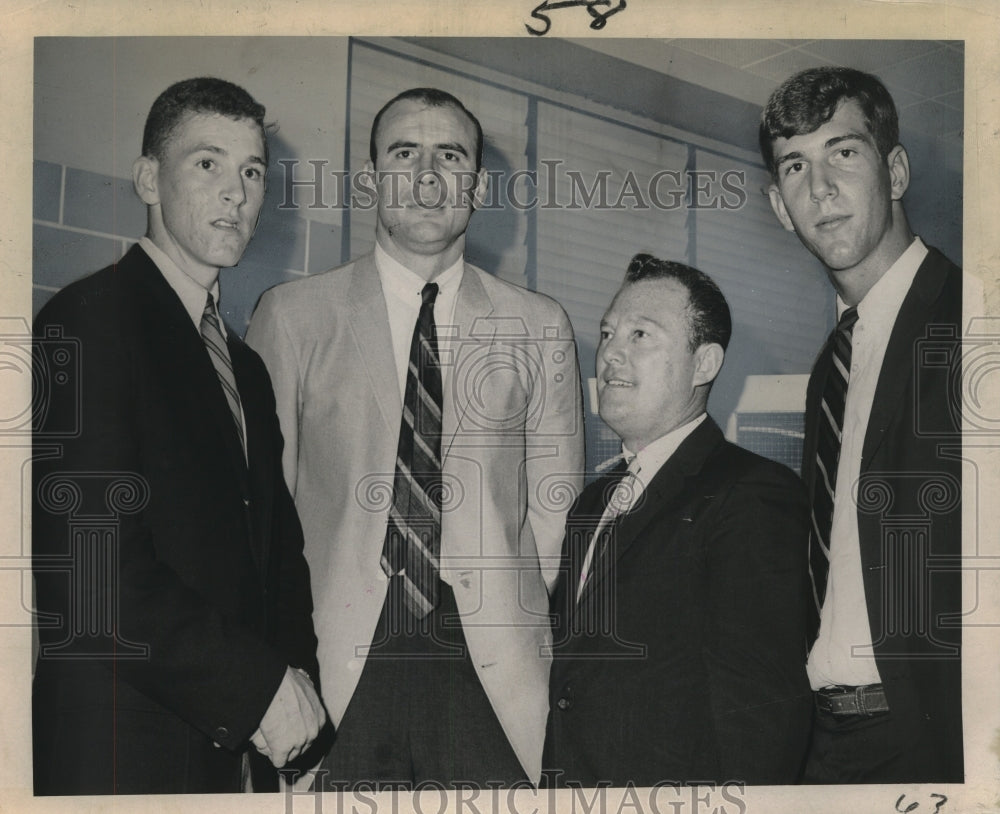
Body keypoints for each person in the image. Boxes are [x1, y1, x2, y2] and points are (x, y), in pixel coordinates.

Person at [247, 87, 584, 788]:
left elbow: (556, 517)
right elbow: (260, 512)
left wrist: (505, 621)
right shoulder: (292, 316)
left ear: (477, 186)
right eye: (405, 154)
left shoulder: (540, 325)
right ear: (371, 178)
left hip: (490, 678)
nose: (428, 177)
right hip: (333, 671)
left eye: (450, 156)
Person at [32, 77, 325, 795]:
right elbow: (91, 574)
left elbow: (278, 560)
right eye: (208, 164)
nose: (237, 192)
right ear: (148, 180)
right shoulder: (88, 320)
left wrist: (302, 710)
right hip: (120, 751)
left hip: (237, 757)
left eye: (252, 171)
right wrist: (261, 691)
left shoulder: (246, 366)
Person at [760, 66, 964, 783]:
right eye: (795, 166)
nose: (820, 188)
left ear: (897, 171)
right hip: (829, 741)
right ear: (780, 208)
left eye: (843, 153)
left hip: (937, 742)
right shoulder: (831, 367)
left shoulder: (973, 324)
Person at [543, 253, 813, 787]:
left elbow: (761, 717)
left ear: (705, 364)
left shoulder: (752, 495)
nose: (612, 352)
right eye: (608, 332)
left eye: (641, 335)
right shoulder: (590, 504)